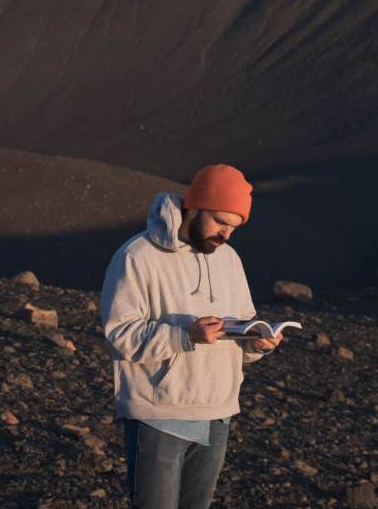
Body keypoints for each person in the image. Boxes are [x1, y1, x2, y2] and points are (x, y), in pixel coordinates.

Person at [99, 164, 281, 509]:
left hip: (218, 413)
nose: (226, 234)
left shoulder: (229, 259)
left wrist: (256, 343)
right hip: (159, 413)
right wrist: (185, 335)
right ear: (194, 206)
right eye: (221, 222)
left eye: (234, 227)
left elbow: (242, 324)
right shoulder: (137, 256)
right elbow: (120, 334)